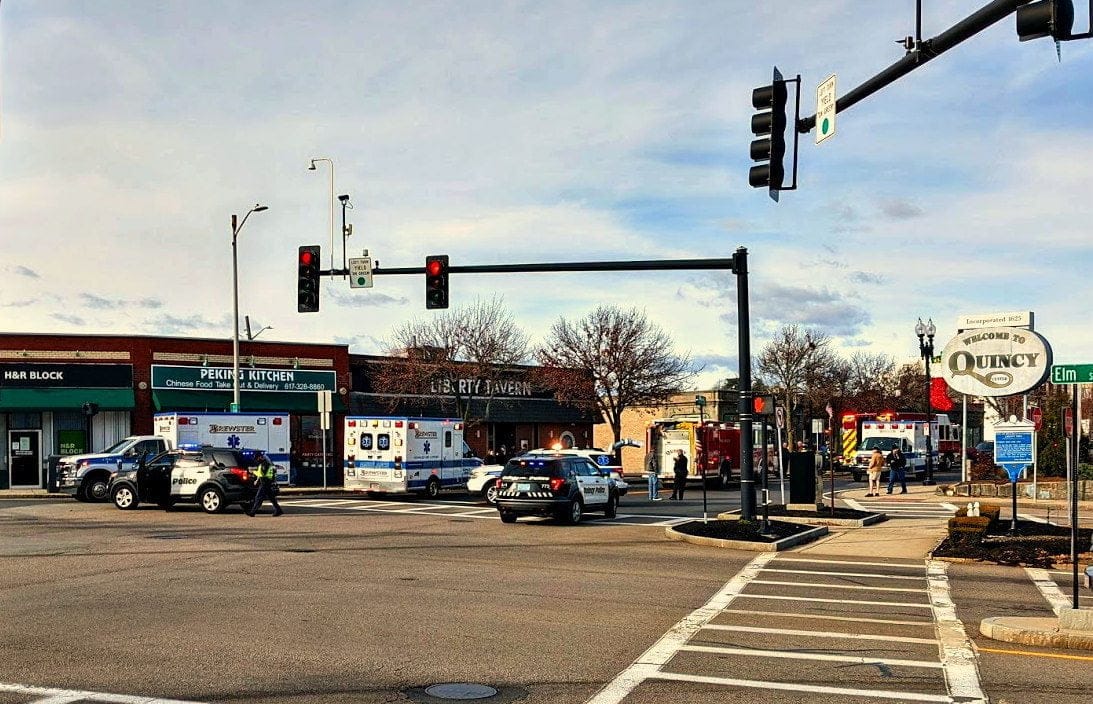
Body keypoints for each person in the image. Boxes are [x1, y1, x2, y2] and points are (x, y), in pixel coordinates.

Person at [247, 451, 283, 517]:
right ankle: (278, 510)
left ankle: (252, 512)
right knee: (271, 497)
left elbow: (262, 474)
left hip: (265, 483)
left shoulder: (264, 464)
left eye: (257, 458)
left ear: (260, 457)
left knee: (258, 497)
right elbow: (261, 473)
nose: (257, 460)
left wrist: (253, 472)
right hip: (267, 482)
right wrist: (257, 480)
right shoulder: (265, 463)